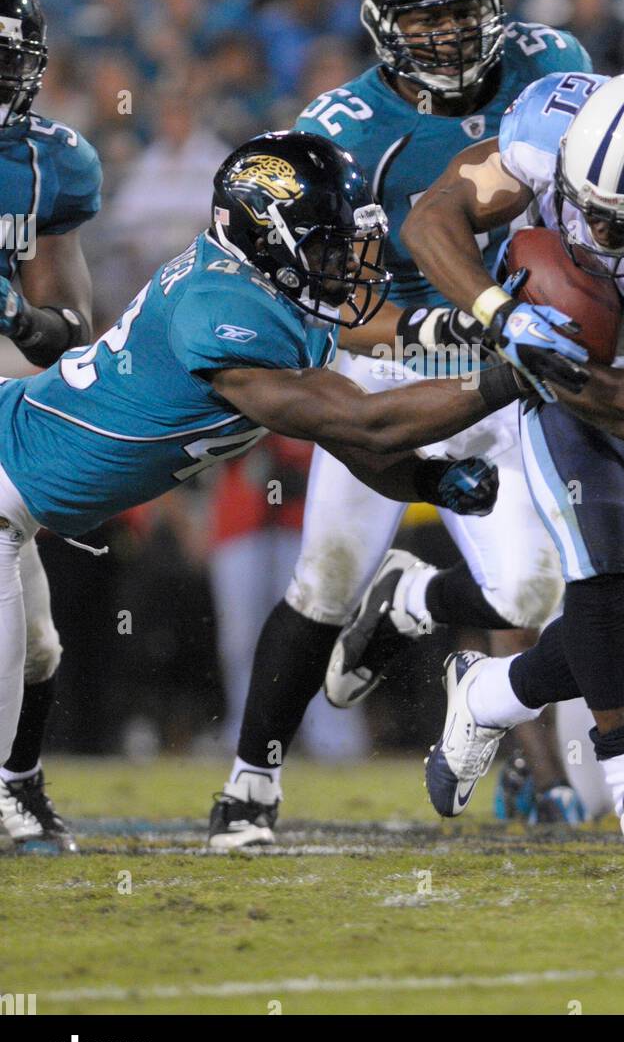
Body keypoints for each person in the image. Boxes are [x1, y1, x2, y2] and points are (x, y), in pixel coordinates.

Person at [0, 129, 563, 798]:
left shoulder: (271, 292)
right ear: (266, 233)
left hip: (22, 495)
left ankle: (23, 800)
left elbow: (346, 433)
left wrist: (425, 478)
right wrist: (506, 380)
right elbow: (362, 420)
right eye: (328, 240)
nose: (350, 257)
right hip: (7, 487)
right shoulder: (222, 310)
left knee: (38, 653)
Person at [207, 0, 594, 849]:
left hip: (501, 369)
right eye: (428, 23)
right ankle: (248, 785)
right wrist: (436, 325)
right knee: (323, 580)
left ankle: (413, 601)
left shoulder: (552, 63)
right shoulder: (342, 131)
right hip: (390, 363)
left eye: (464, 14)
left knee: (535, 596)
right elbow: (323, 292)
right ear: (384, 26)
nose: (453, 38)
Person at [375, 67, 624, 880]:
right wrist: (502, 314)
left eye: (621, 221)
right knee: (599, 556)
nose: (591, 229)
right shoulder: (547, 125)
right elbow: (431, 220)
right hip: (558, 340)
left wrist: (548, 358)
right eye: (583, 204)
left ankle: (486, 694)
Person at [0, 0, 102, 851]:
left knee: (36, 643)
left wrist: (15, 314)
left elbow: (70, 336)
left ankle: (19, 781)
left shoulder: (46, 164)